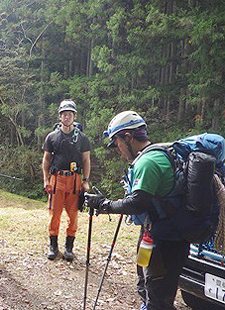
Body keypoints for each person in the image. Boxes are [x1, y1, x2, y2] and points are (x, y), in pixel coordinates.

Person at [85, 111, 190, 310]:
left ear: (128, 137)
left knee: (158, 299)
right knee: (146, 287)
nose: (118, 150)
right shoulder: (150, 156)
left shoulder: (148, 162)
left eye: (117, 142)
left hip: (166, 241)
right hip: (152, 235)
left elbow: (137, 203)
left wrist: (103, 204)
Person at [42, 100, 91, 261]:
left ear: (74, 116)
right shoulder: (52, 137)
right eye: (64, 114)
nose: (67, 117)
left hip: (75, 180)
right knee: (54, 214)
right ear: (60, 116)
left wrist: (86, 180)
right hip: (57, 179)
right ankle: (53, 246)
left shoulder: (82, 138)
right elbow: (46, 160)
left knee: (73, 214)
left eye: (70, 114)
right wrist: (46, 179)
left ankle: (69, 247)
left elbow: (86, 160)